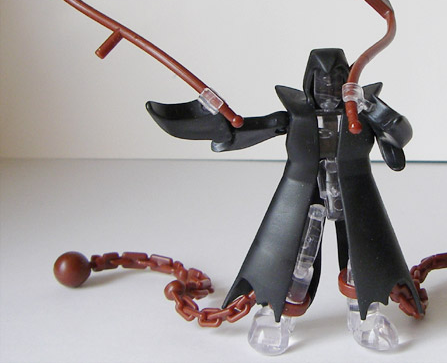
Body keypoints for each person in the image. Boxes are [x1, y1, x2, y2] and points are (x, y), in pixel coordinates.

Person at [146, 48, 422, 354]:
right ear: (310, 83)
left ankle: (366, 316)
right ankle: (276, 317)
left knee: (362, 256)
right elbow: (246, 131)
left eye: (336, 81)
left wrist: (373, 107)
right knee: (295, 260)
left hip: (355, 195)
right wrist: (219, 124)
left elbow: (400, 134)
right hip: (305, 197)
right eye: (322, 82)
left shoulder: (361, 115)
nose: (329, 89)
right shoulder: (296, 117)